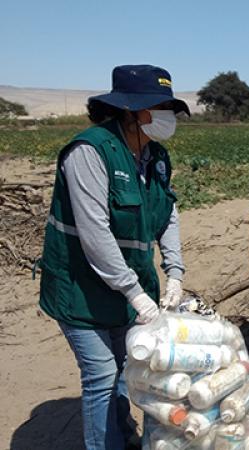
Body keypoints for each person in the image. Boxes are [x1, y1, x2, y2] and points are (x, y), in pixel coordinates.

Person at [38, 64, 188, 449]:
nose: (168, 116)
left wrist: (175, 273)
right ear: (132, 111)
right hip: (81, 287)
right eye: (160, 107)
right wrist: (136, 295)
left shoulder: (155, 156)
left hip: (128, 284)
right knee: (102, 375)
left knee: (128, 367)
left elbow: (167, 212)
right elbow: (94, 234)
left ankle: (122, 436)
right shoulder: (90, 152)